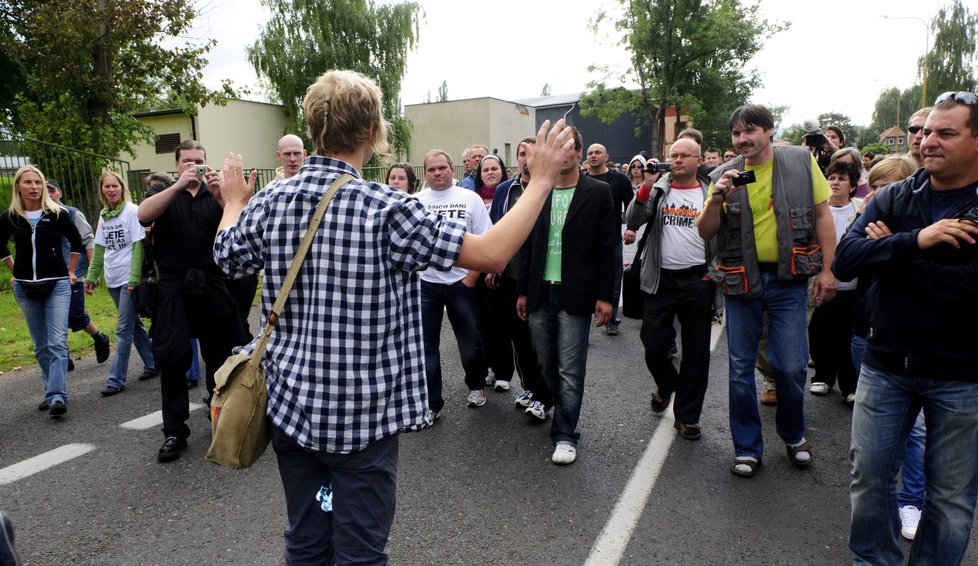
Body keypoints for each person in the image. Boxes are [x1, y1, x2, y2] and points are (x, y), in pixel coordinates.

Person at [214, 69, 574, 565]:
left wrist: (233, 203)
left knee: (307, 536)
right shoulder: (387, 208)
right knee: (361, 549)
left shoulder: (271, 201)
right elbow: (491, 254)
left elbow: (227, 256)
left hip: (291, 408)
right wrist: (543, 181)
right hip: (361, 419)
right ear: (370, 132)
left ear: (315, 128)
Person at [838, 91, 978, 564]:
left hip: (963, 375)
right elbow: (845, 260)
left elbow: (971, 286)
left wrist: (895, 256)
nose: (927, 141)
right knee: (869, 480)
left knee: (951, 499)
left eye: (945, 133)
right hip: (885, 365)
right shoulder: (898, 195)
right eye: (924, 132)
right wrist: (919, 240)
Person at [698, 104, 836, 478]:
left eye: (750, 131)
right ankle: (747, 448)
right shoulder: (724, 175)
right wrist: (716, 198)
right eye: (736, 134)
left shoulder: (800, 162)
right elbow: (705, 231)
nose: (743, 140)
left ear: (769, 131)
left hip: (789, 280)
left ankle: (793, 435)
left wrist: (827, 269)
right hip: (742, 281)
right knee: (740, 369)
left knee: (791, 366)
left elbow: (823, 215)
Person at [137, 140, 249, 462]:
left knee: (219, 357)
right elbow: (144, 216)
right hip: (173, 286)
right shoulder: (163, 190)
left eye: (199, 161)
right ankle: (175, 432)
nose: (193, 166)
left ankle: (220, 420)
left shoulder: (216, 195)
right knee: (173, 359)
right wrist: (177, 187)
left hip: (212, 282)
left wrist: (219, 196)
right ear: (177, 165)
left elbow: (240, 227)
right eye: (187, 161)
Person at [517, 127, 618, 465]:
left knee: (570, 370)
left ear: (578, 150)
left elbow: (608, 247)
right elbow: (528, 243)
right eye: (553, 149)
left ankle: (565, 433)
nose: (560, 155)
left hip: (576, 292)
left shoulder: (599, 192)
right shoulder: (537, 191)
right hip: (539, 292)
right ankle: (556, 407)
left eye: (566, 147)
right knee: (546, 363)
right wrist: (521, 290)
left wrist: (607, 296)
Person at [625, 138, 716, 440]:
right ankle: (667, 385)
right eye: (673, 155)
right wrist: (646, 187)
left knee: (696, 352)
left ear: (698, 159)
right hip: (660, 280)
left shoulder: (709, 190)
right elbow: (633, 220)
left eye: (684, 156)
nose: (677, 160)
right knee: (653, 343)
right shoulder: (660, 188)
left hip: (698, 281)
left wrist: (713, 274)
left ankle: (687, 417)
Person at [0, 166, 83, 417]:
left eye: (38, 182)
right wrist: (14, 269)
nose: (34, 186)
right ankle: (51, 389)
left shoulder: (57, 214)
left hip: (57, 283)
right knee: (40, 345)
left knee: (57, 341)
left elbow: (77, 241)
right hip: (25, 287)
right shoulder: (10, 217)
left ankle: (57, 396)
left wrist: (70, 270)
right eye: (28, 182)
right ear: (18, 187)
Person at [416, 150, 492, 414]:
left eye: (442, 168)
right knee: (426, 346)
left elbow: (485, 239)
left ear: (452, 169)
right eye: (431, 169)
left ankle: (476, 384)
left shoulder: (470, 199)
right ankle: (432, 403)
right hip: (426, 284)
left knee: (470, 340)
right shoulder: (417, 201)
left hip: (461, 283)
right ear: (425, 173)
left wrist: (471, 278)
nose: (437, 173)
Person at [487, 138, 551, 417]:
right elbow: (495, 228)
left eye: (532, 153)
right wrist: (492, 265)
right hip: (510, 277)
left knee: (541, 341)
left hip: (541, 279)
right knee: (519, 339)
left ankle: (544, 395)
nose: (526, 158)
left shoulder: (549, 189)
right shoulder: (505, 190)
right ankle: (528, 388)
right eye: (522, 153)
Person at [84, 171, 156, 396]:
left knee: (123, 329)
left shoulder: (133, 211)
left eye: (115, 186)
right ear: (102, 190)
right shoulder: (104, 215)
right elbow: (99, 250)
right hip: (112, 279)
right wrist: (91, 277)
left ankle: (116, 380)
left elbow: (138, 248)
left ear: (122, 187)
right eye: (107, 187)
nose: (111, 190)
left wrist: (134, 280)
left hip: (128, 279)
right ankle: (154, 363)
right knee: (134, 326)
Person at [807, 159, 861, 403]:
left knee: (848, 335)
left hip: (852, 286)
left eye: (842, 179)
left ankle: (850, 385)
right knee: (820, 331)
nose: (835, 183)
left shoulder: (860, 209)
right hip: (821, 281)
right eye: (831, 178)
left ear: (853, 185)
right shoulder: (818, 209)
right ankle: (823, 376)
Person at [45, 180, 111, 368]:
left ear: (59, 193)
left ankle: (100, 337)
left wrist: (93, 272)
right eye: (46, 191)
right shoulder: (38, 216)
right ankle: (63, 356)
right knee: (53, 316)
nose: (49, 195)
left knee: (75, 315)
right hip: (50, 275)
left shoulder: (72, 214)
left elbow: (89, 241)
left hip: (75, 273)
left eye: (52, 191)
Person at [586, 142, 635, 336]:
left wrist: (631, 227)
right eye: (590, 153)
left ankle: (612, 320)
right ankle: (584, 323)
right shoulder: (582, 180)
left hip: (611, 240)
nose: (593, 156)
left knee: (613, 282)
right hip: (586, 242)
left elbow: (631, 206)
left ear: (606, 157)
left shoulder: (620, 180)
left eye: (598, 152)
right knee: (586, 282)